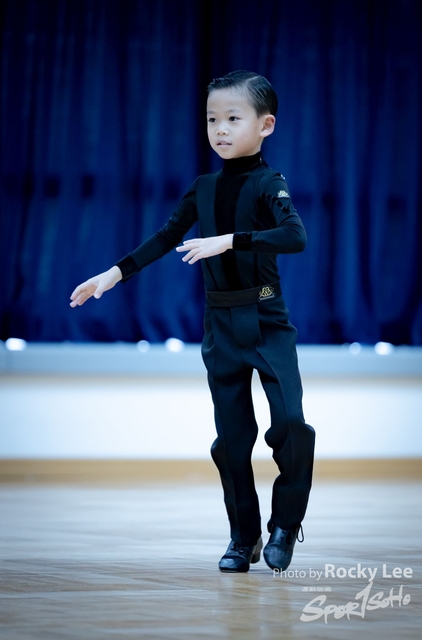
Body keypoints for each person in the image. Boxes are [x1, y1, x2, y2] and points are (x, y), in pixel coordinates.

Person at [70, 70, 315, 573]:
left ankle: (285, 524)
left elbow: (295, 237)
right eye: (211, 119)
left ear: (265, 125)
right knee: (231, 441)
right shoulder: (204, 187)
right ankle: (242, 536)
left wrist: (231, 241)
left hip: (266, 319)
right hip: (220, 325)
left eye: (233, 118)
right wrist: (113, 274)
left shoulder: (270, 183)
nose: (220, 129)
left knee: (291, 424)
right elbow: (167, 235)